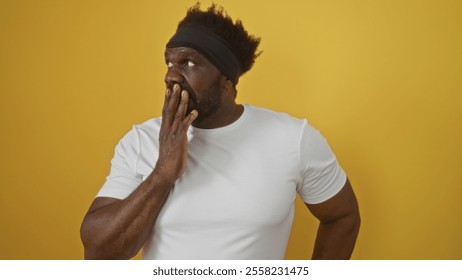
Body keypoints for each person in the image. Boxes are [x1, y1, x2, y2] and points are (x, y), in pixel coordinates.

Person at [80, 3, 360, 260]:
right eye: (169, 63)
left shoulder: (293, 138)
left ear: (226, 80)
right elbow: (99, 252)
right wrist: (162, 174)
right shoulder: (140, 141)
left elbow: (343, 216)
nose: (171, 76)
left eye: (189, 63)